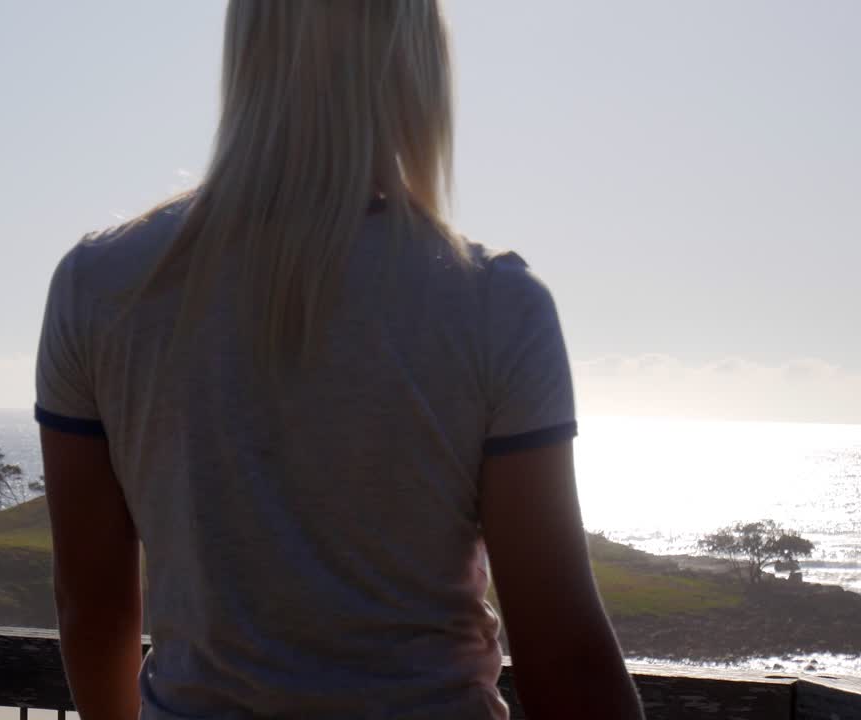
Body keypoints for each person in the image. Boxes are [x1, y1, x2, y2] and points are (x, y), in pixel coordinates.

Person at [35, 2, 644, 718]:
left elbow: (92, 606)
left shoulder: (103, 286)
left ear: (248, 46)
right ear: (413, 54)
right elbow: (562, 654)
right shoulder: (491, 304)